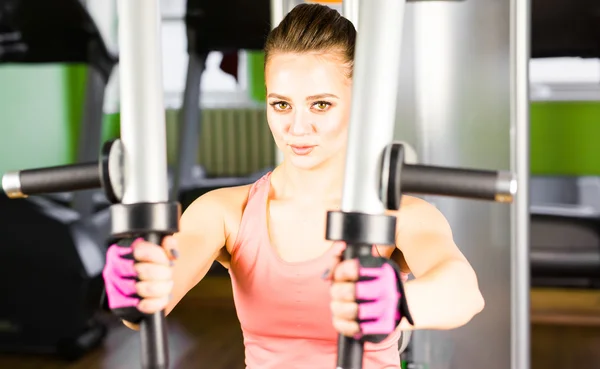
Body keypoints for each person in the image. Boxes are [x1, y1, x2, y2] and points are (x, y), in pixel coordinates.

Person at [101, 3, 485, 368]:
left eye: (321, 104)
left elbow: (463, 292)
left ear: (361, 101)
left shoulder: (398, 215)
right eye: (281, 104)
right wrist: (139, 284)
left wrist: (398, 303)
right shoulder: (225, 211)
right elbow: (157, 293)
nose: (297, 129)